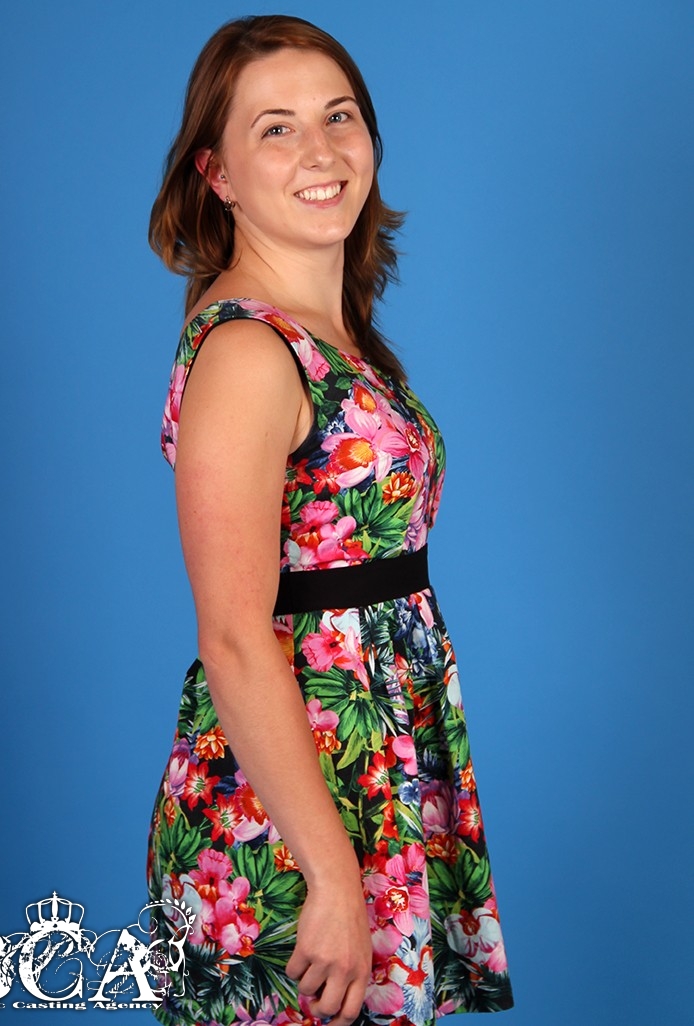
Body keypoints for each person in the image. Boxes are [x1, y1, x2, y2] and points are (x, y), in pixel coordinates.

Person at [145, 15, 513, 1026]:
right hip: (289, 814)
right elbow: (232, 634)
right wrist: (333, 876)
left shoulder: (329, 335)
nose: (320, 150)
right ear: (217, 174)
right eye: (276, 128)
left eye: (338, 116)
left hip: (374, 772)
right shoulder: (248, 352)